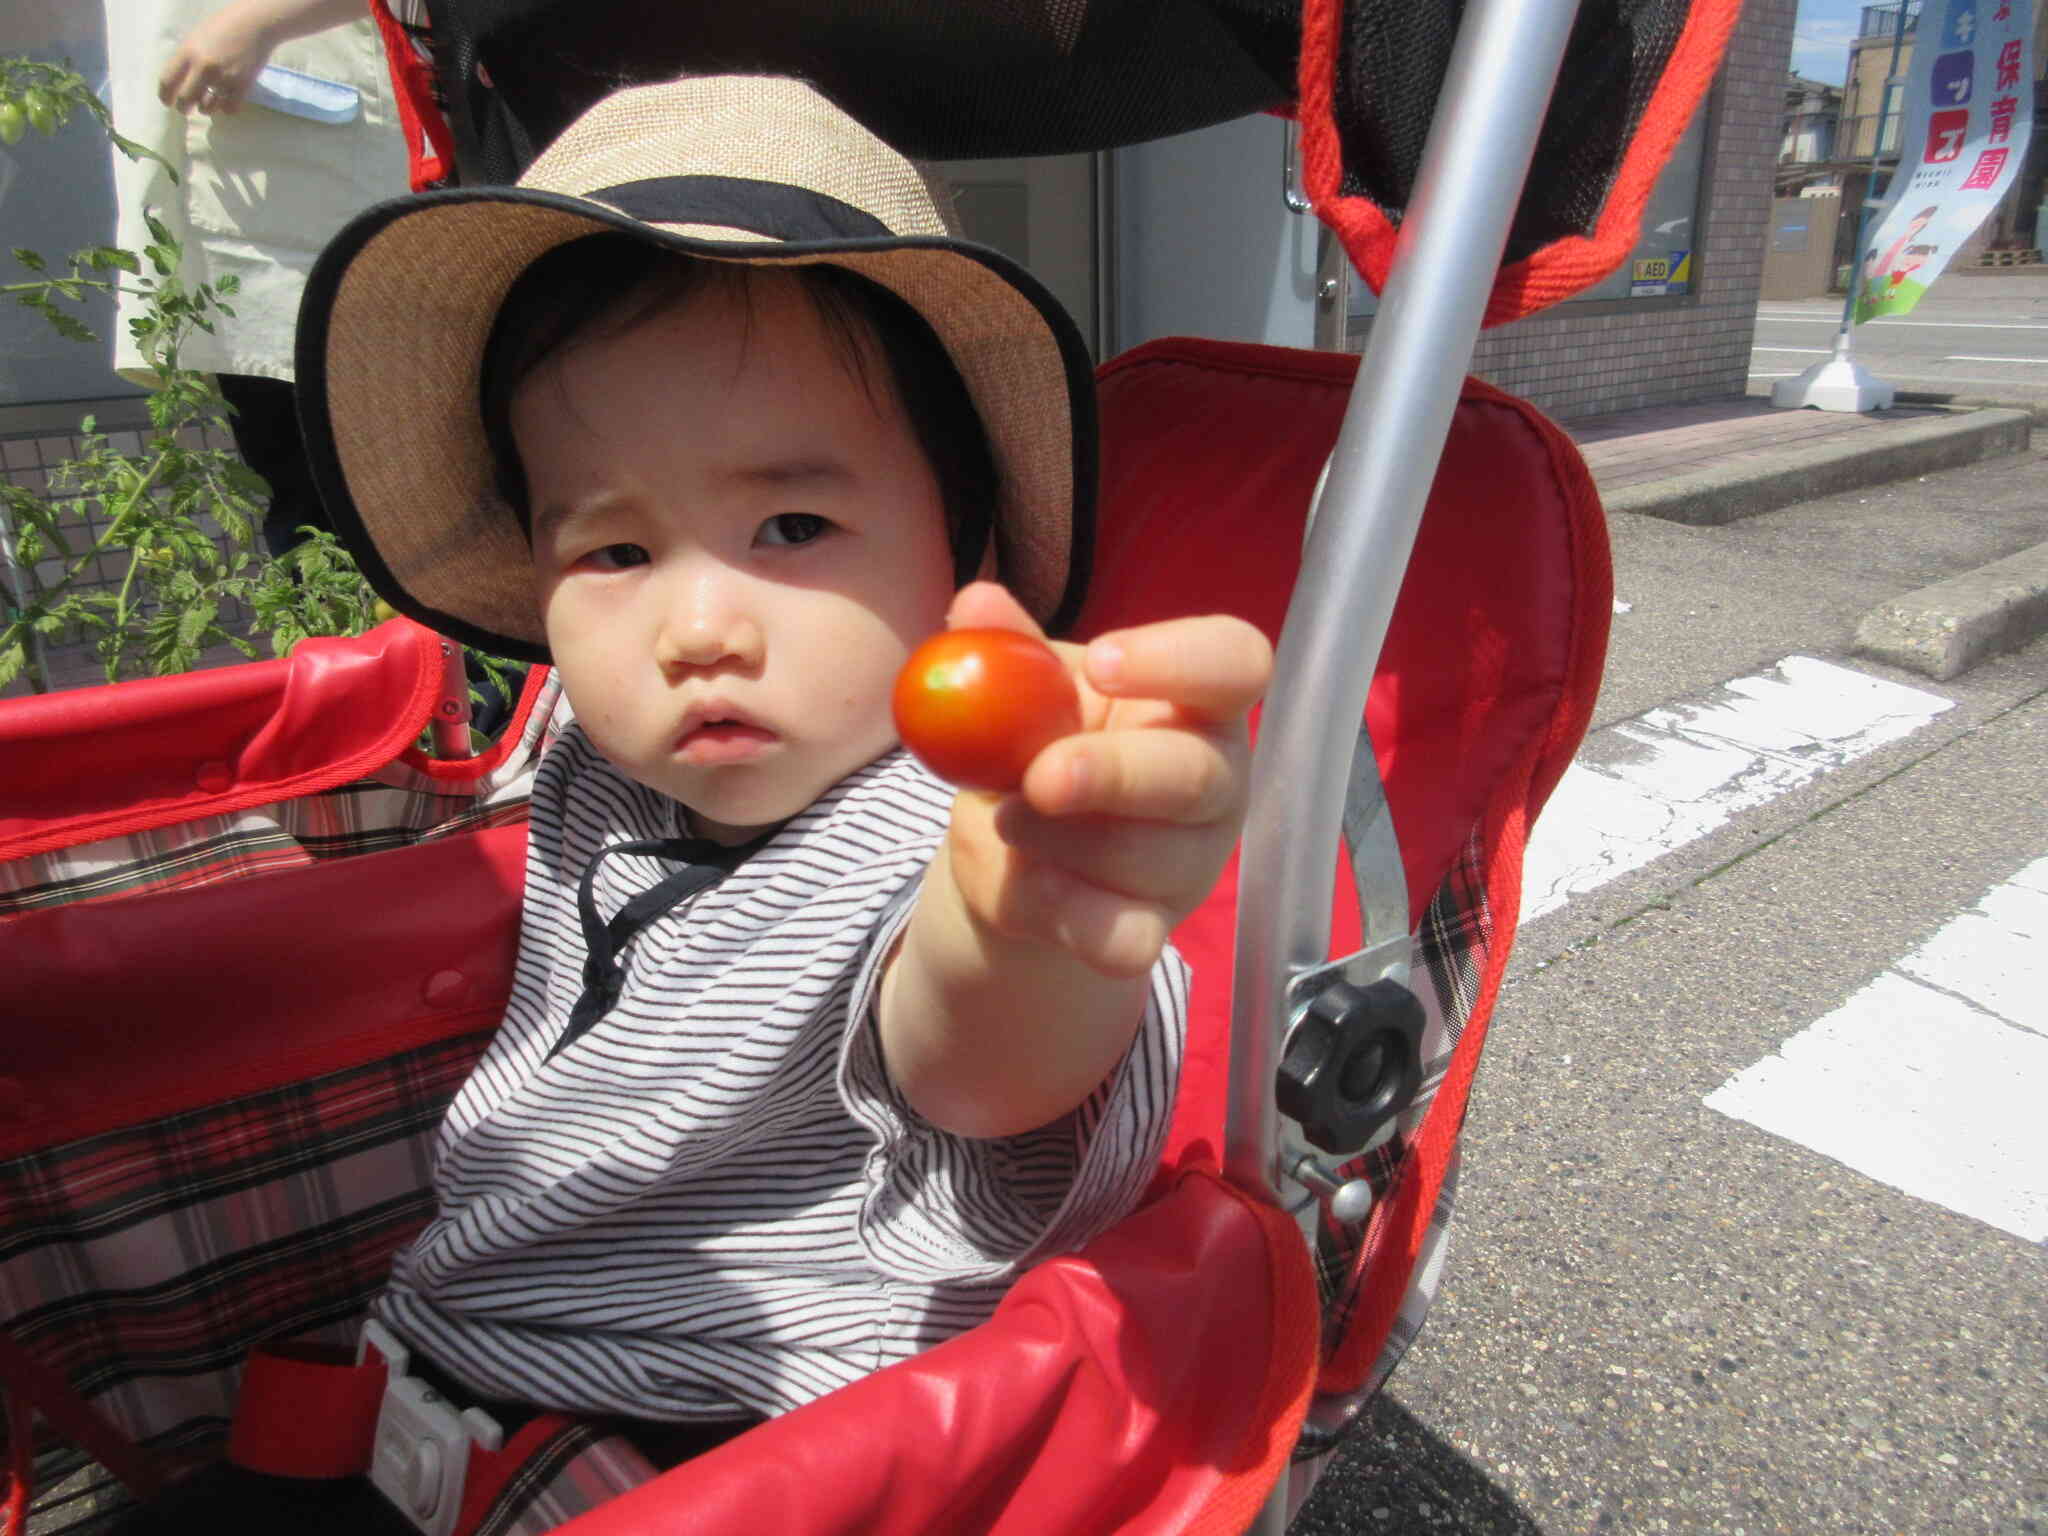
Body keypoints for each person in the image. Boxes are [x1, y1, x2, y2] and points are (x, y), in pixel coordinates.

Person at [114, 71, 1267, 1526]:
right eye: (613, 553)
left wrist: (1029, 915)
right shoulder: (601, 773)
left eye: (793, 523)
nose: (696, 627)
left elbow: (973, 1061)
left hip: (703, 1428)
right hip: (432, 1357)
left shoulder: (928, 834)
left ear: (956, 544)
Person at [105, 0, 409, 556]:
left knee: (387, 514)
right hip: (225, 183)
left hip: (309, 169)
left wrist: (263, 19)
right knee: (307, 515)